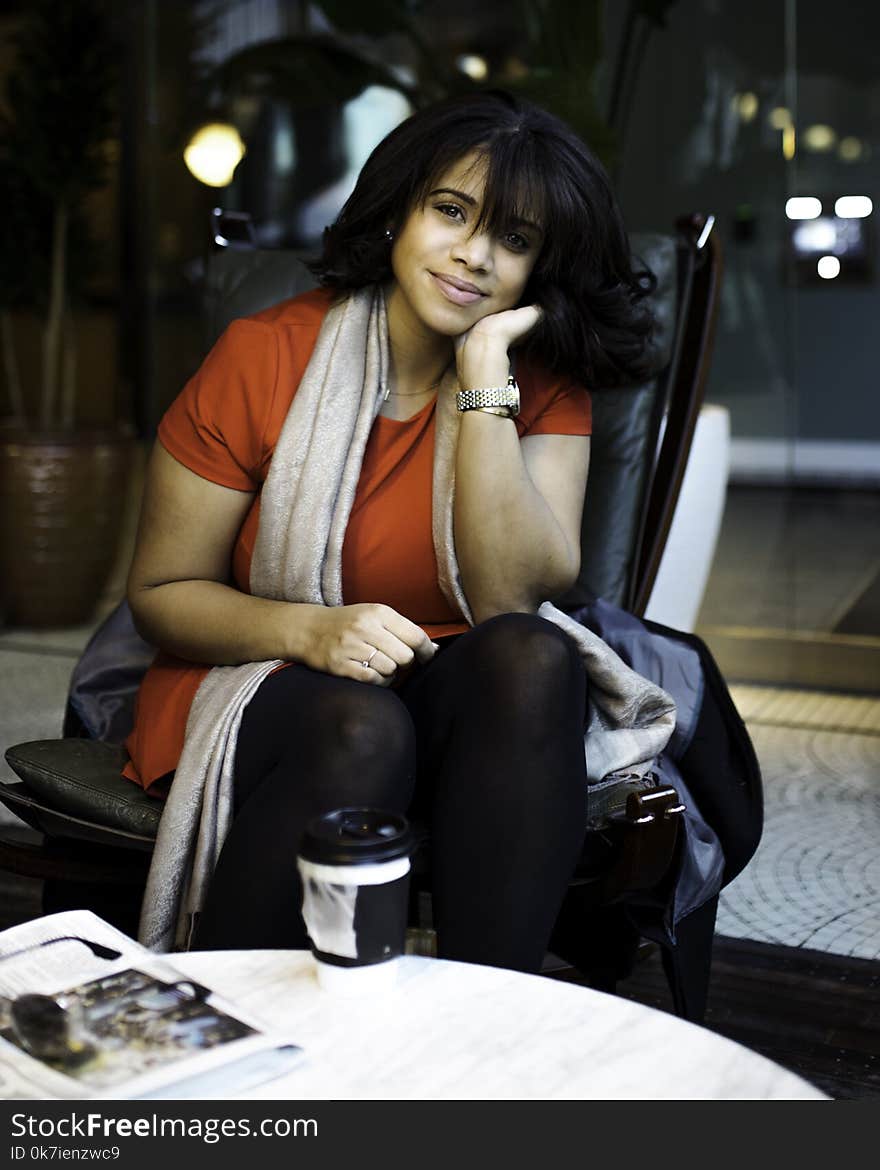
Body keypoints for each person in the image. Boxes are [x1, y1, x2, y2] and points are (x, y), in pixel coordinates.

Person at [124, 89, 656, 972]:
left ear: (540, 272)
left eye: (515, 241)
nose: (475, 256)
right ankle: (231, 1026)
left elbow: (509, 597)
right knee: (362, 726)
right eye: (451, 211)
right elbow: (161, 594)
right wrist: (312, 631)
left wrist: (484, 377)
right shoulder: (264, 355)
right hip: (264, 677)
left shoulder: (541, 379)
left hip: (453, 694)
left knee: (534, 655)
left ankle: (481, 1025)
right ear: (399, 210)